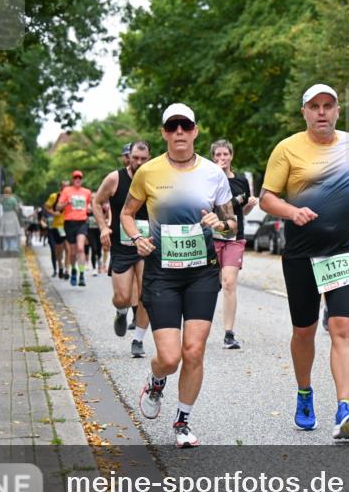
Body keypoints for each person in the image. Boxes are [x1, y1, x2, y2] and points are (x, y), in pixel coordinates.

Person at [259, 83, 349, 441]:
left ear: (338, 111)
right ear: (304, 112)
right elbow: (268, 199)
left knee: (342, 328)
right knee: (304, 331)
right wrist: (292, 211)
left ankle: (345, 407)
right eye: (315, 106)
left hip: (342, 251)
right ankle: (304, 392)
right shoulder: (287, 149)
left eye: (328, 106)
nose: (322, 112)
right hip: (300, 254)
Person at [121, 104, 235, 448]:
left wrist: (220, 223)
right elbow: (127, 213)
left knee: (194, 350)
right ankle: (156, 382)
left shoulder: (214, 173)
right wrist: (138, 238)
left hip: (202, 273)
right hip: (162, 273)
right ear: (164, 134)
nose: (180, 132)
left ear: (196, 131)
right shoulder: (148, 172)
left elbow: (232, 226)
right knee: (169, 357)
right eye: (173, 127)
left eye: (186, 126)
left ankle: (182, 422)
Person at [93, 140, 152, 358]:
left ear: (149, 158)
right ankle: (121, 311)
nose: (138, 162)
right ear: (128, 156)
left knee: (147, 295)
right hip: (121, 245)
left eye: (143, 159)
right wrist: (103, 228)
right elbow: (96, 202)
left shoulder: (155, 178)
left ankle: (138, 340)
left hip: (147, 246)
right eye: (135, 157)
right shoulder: (115, 178)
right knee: (122, 296)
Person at [210, 139, 258, 349]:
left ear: (231, 156)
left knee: (229, 282)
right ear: (213, 158)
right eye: (218, 155)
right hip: (211, 236)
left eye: (225, 155)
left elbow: (242, 212)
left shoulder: (240, 182)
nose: (222, 159)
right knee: (210, 285)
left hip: (234, 238)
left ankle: (229, 334)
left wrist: (249, 206)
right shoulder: (208, 179)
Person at [56, 171, 93, 286]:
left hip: (82, 222)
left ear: (82, 179)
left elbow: (89, 207)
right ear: (73, 179)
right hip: (69, 223)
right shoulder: (66, 191)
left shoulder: (87, 192)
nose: (78, 179)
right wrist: (66, 203)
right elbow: (58, 207)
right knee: (72, 252)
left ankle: (81, 275)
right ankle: (73, 270)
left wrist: (90, 209)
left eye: (80, 177)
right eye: (75, 177)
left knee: (81, 248)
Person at [45, 181, 69, 278]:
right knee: (59, 249)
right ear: (61, 187)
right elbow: (46, 206)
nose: (66, 189)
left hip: (69, 225)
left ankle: (67, 270)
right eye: (64, 187)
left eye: (68, 187)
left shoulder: (71, 197)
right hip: (58, 225)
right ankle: (60, 267)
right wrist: (54, 213)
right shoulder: (54, 196)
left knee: (68, 248)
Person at [0, 186, 22, 253]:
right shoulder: (13, 199)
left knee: (5, 232)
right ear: (11, 192)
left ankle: (6, 247)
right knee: (13, 232)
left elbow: (1, 204)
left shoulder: (2, 199)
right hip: (12, 215)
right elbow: (16, 208)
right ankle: (13, 248)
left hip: (5, 215)